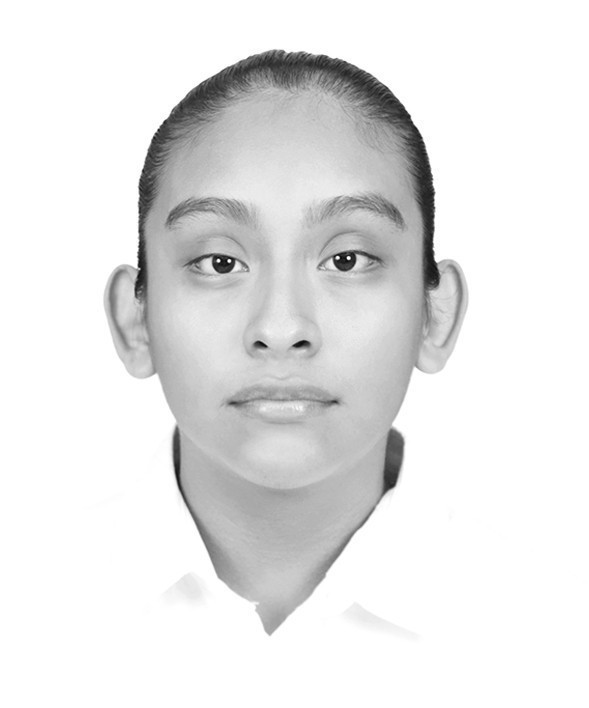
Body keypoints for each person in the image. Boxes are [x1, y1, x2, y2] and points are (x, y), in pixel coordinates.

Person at [100, 49, 469, 704]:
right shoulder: (25, 613)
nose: (279, 326)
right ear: (135, 320)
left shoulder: (554, 633)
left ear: (434, 315)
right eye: (218, 263)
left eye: (347, 259)